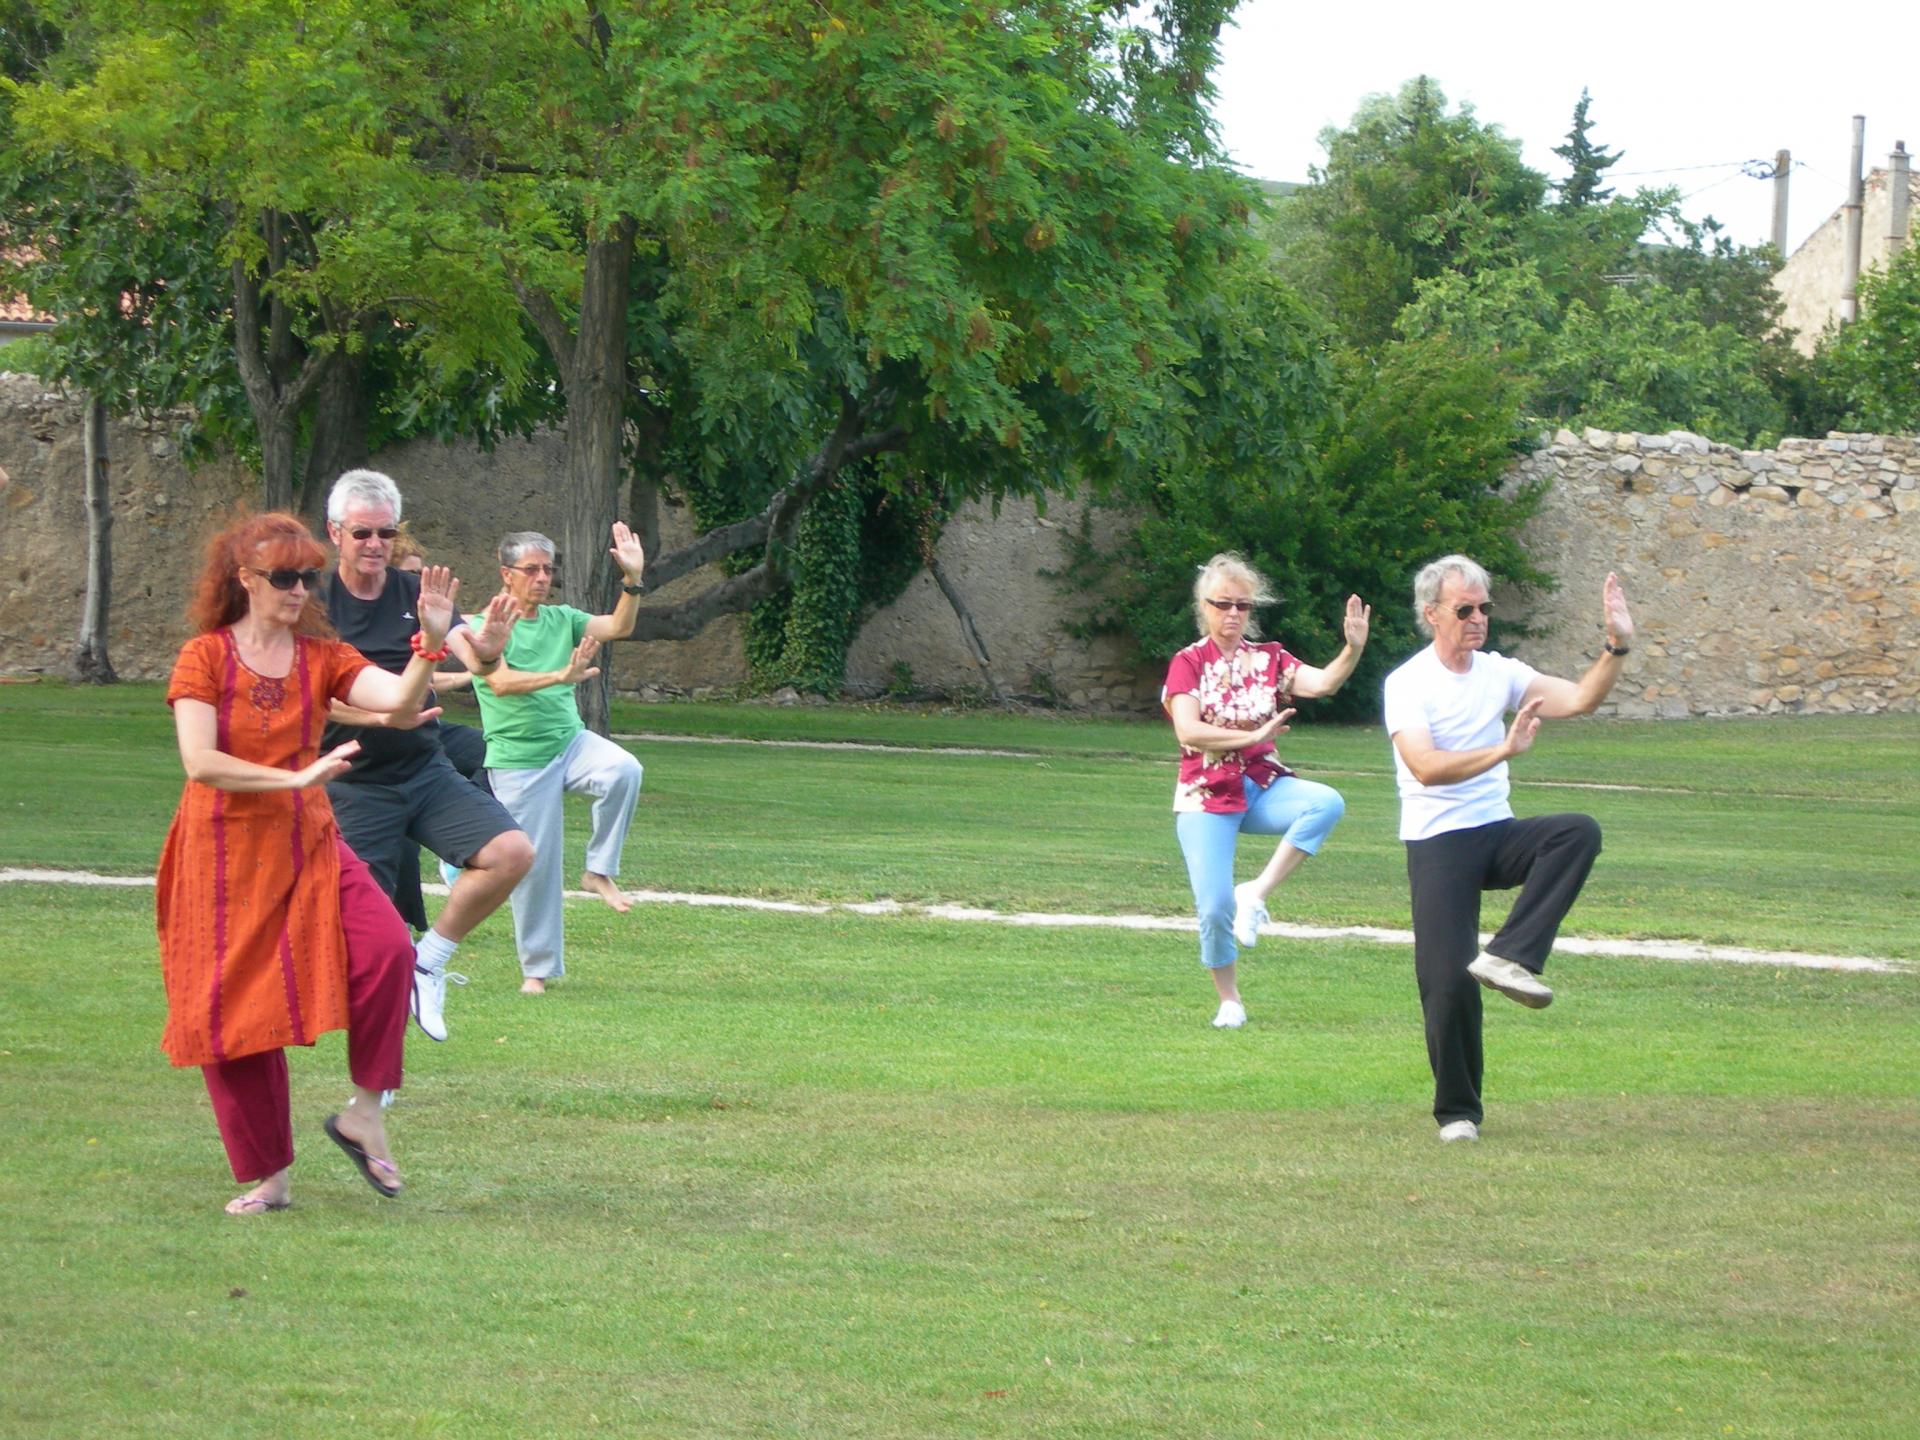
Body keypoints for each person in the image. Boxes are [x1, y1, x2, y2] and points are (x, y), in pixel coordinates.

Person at [157, 512, 449, 1214]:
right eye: (284, 578)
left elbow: (397, 699)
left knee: (386, 950)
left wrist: (429, 646)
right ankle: (270, 1175)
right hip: (218, 852)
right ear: (246, 580)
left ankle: (365, 1111)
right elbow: (200, 761)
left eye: (306, 577)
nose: (298, 590)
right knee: (230, 1019)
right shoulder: (205, 655)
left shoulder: (322, 656)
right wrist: (289, 780)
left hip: (306, 841)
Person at [1383, 555, 1634, 1142]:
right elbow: (1424, 767)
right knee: (1446, 981)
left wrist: (1616, 647)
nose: (1478, 619)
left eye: (1484, 608)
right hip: (1438, 841)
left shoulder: (1499, 672)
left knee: (1577, 831)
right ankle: (1459, 1114)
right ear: (1432, 614)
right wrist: (1502, 751)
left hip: (1495, 832)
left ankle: (1510, 954)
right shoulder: (1407, 682)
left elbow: (1579, 699)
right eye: (1464, 609)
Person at [320, 469, 535, 1043]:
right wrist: (380, 717)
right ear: (335, 532)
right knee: (373, 938)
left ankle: (430, 961)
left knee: (511, 852)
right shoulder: (314, 602)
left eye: (385, 534)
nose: (375, 545)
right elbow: (313, 697)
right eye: (362, 533)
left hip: (424, 769)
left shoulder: (415, 592)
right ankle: (379, 1078)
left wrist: (486, 651)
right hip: (351, 782)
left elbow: (472, 652)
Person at [1162, 553, 1369, 1028]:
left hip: (1259, 786)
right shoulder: (1188, 663)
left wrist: (1352, 648)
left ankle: (1255, 893)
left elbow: (1323, 683)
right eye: (1223, 604)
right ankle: (1229, 999)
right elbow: (1189, 732)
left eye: (1243, 605)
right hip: (1205, 796)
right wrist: (1250, 737)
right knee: (1214, 906)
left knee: (1325, 803)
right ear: (1205, 606)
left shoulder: (1270, 658)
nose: (1233, 614)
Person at [470, 526, 647, 994]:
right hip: (517, 760)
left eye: (548, 569)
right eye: (532, 569)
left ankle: (598, 869)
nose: (543, 577)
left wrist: (632, 580)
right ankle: (537, 970)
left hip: (570, 743)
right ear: (506, 574)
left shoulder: (562, 618)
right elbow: (500, 684)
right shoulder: (478, 626)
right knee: (536, 865)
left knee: (624, 769)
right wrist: (562, 675)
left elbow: (619, 627)